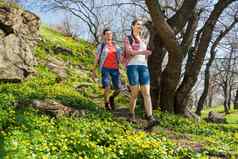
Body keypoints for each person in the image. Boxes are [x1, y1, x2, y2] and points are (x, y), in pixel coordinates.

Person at [123, 19, 158, 128]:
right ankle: (131, 114)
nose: (140, 26)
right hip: (132, 66)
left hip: (143, 67)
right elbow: (129, 52)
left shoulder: (143, 40)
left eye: (141, 25)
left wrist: (146, 55)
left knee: (146, 93)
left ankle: (150, 117)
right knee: (135, 92)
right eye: (138, 24)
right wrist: (142, 52)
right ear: (133, 26)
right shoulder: (128, 38)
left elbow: (144, 55)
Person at [92, 28, 122, 110]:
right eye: (107, 34)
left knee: (118, 89)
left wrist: (122, 68)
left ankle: (111, 98)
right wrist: (93, 71)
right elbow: (97, 58)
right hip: (105, 69)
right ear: (104, 35)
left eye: (110, 34)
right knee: (107, 86)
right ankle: (106, 104)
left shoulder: (116, 46)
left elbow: (120, 58)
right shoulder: (101, 46)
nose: (109, 35)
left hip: (115, 69)